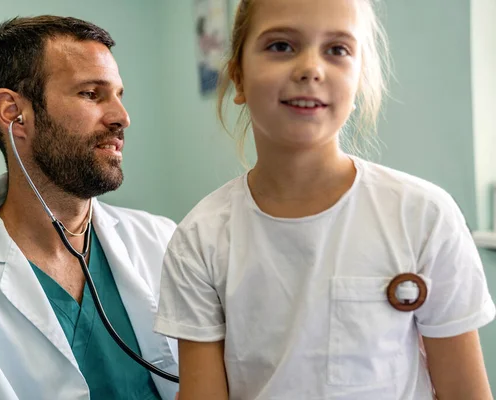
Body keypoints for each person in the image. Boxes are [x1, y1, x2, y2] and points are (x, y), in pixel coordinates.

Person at [153, 0, 496, 399]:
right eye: (281, 46)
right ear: (239, 78)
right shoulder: (201, 239)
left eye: (337, 50)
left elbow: (464, 391)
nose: (311, 69)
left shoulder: (424, 216)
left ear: (360, 79)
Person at [0, 16, 178, 400]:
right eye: (91, 94)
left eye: (119, 95)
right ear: (13, 112)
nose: (121, 118)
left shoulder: (166, 242)